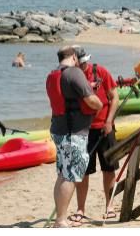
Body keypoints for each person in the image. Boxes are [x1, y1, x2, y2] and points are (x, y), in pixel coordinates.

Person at [46, 46, 102, 228]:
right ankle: (61, 220)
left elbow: (68, 94)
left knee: (63, 174)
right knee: (70, 176)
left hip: (59, 130)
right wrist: (99, 104)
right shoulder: (74, 73)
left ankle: (59, 218)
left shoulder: (54, 74)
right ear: (72, 57)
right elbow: (92, 101)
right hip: (73, 133)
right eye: (77, 57)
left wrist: (87, 88)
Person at [72, 50, 117, 223]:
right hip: (83, 130)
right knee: (83, 172)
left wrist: (109, 122)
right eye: (79, 63)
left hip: (105, 128)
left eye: (84, 62)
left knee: (109, 169)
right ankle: (80, 209)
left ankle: (110, 206)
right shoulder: (72, 78)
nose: (82, 66)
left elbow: (115, 97)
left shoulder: (101, 72)